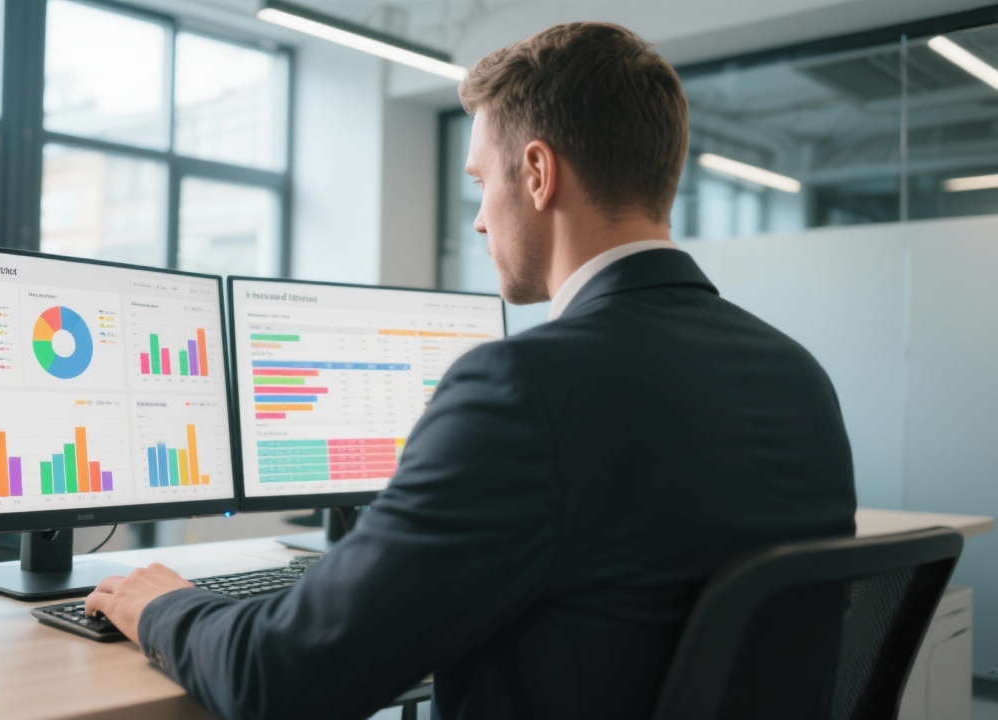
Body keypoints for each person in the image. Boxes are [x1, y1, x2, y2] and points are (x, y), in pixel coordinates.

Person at [86, 22, 856, 720]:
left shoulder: (527, 388)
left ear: (538, 172)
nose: (482, 217)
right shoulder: (799, 376)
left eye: (481, 182)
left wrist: (166, 607)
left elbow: (280, 679)